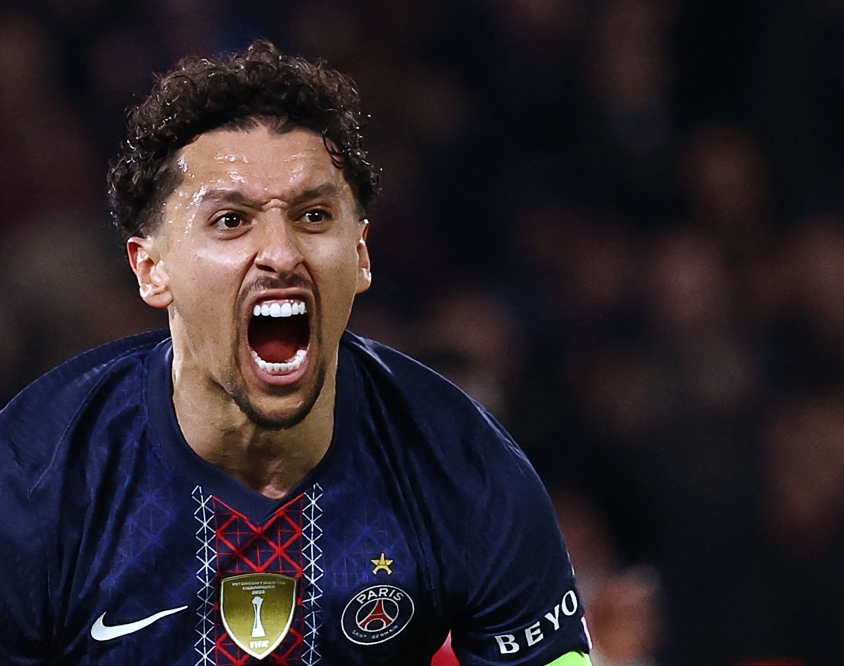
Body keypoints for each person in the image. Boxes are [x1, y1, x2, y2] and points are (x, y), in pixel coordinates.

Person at [0, 40, 592, 666]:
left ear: (360, 255)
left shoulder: (465, 471)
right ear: (152, 269)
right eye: (231, 220)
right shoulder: (30, 481)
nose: (281, 253)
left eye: (313, 215)